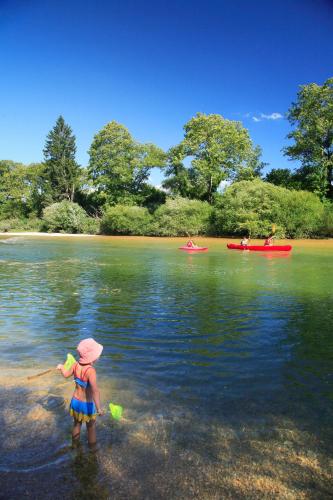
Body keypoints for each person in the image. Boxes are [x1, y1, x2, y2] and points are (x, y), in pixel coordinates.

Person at [57, 338, 104, 448]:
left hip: (75, 402)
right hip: (86, 405)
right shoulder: (91, 371)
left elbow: (65, 375)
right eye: (97, 355)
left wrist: (61, 367)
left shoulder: (75, 365)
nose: (98, 356)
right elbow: (95, 391)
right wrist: (99, 409)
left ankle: (74, 446)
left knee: (76, 424)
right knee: (91, 428)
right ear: (92, 357)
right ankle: (93, 451)